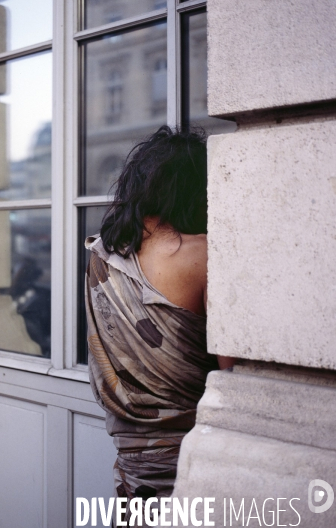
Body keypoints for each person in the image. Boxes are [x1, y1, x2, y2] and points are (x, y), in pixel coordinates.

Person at [84, 126, 233, 526]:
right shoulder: (204, 254)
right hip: (190, 450)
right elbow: (235, 374)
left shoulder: (102, 253)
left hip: (131, 455)